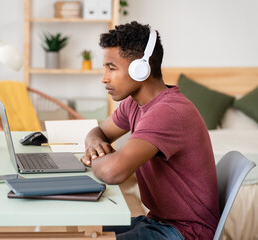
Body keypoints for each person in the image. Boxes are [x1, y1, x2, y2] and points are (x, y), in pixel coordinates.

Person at [81, 21, 220, 240]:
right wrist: (94, 146)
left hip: (185, 232)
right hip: (157, 221)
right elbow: (97, 133)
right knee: (85, 228)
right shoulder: (134, 104)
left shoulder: (169, 112)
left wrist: (89, 159)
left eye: (112, 68)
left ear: (141, 69)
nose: (104, 77)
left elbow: (112, 172)